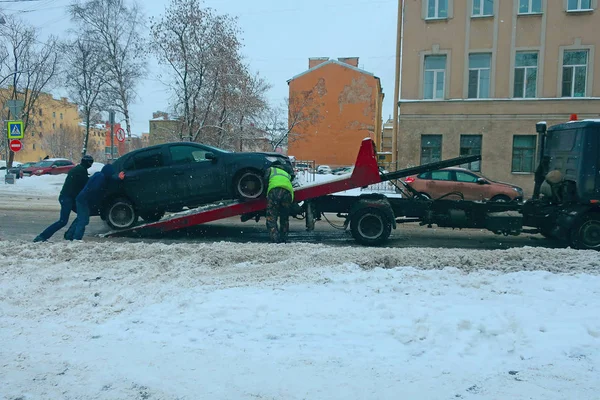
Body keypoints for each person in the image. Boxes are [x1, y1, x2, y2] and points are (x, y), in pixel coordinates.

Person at [33, 155, 94, 242]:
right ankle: (42, 237)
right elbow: (84, 185)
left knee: (82, 216)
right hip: (68, 198)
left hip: (67, 197)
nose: (91, 165)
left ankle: (69, 235)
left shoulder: (79, 169)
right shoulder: (80, 171)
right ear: (87, 162)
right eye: (90, 162)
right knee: (63, 221)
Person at [64, 164, 125, 241]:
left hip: (83, 199)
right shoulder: (100, 179)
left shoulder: (100, 175)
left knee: (80, 218)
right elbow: (95, 191)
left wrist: (118, 178)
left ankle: (69, 235)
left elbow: (110, 179)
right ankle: (76, 239)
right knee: (83, 220)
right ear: (108, 173)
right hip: (84, 200)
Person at [264, 161, 295, 243]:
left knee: (271, 217)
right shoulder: (286, 173)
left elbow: (265, 181)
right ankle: (284, 238)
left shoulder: (271, 169)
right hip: (288, 193)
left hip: (275, 191)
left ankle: (275, 239)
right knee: (284, 217)